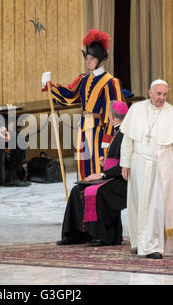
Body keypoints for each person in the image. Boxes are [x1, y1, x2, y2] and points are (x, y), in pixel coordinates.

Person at [120, 79, 173, 259]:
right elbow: (128, 139)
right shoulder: (136, 110)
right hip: (138, 164)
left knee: (157, 208)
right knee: (138, 205)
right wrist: (125, 163)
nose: (162, 98)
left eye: (165, 94)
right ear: (150, 92)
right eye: (158, 94)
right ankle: (139, 243)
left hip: (163, 166)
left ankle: (155, 247)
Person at [44, 29, 125, 181]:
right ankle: (82, 198)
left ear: (101, 60)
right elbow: (69, 95)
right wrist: (50, 87)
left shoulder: (111, 82)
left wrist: (108, 141)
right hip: (83, 128)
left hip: (100, 131)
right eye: (87, 58)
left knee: (97, 166)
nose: (88, 61)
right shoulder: (83, 79)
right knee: (83, 166)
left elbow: (115, 114)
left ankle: (95, 199)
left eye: (92, 58)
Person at [57, 101, 128, 247]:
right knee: (78, 190)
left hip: (123, 181)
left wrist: (102, 175)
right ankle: (77, 234)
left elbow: (125, 165)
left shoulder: (125, 133)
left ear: (111, 116)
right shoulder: (118, 131)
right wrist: (105, 163)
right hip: (113, 176)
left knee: (98, 192)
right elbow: (117, 159)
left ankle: (105, 236)